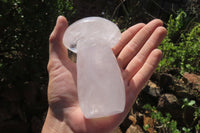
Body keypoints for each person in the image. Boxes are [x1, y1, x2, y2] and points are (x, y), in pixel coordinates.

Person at [42, 16, 167, 133]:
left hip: (106, 105)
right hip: (94, 108)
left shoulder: (97, 54)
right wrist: (66, 124)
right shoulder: (87, 56)